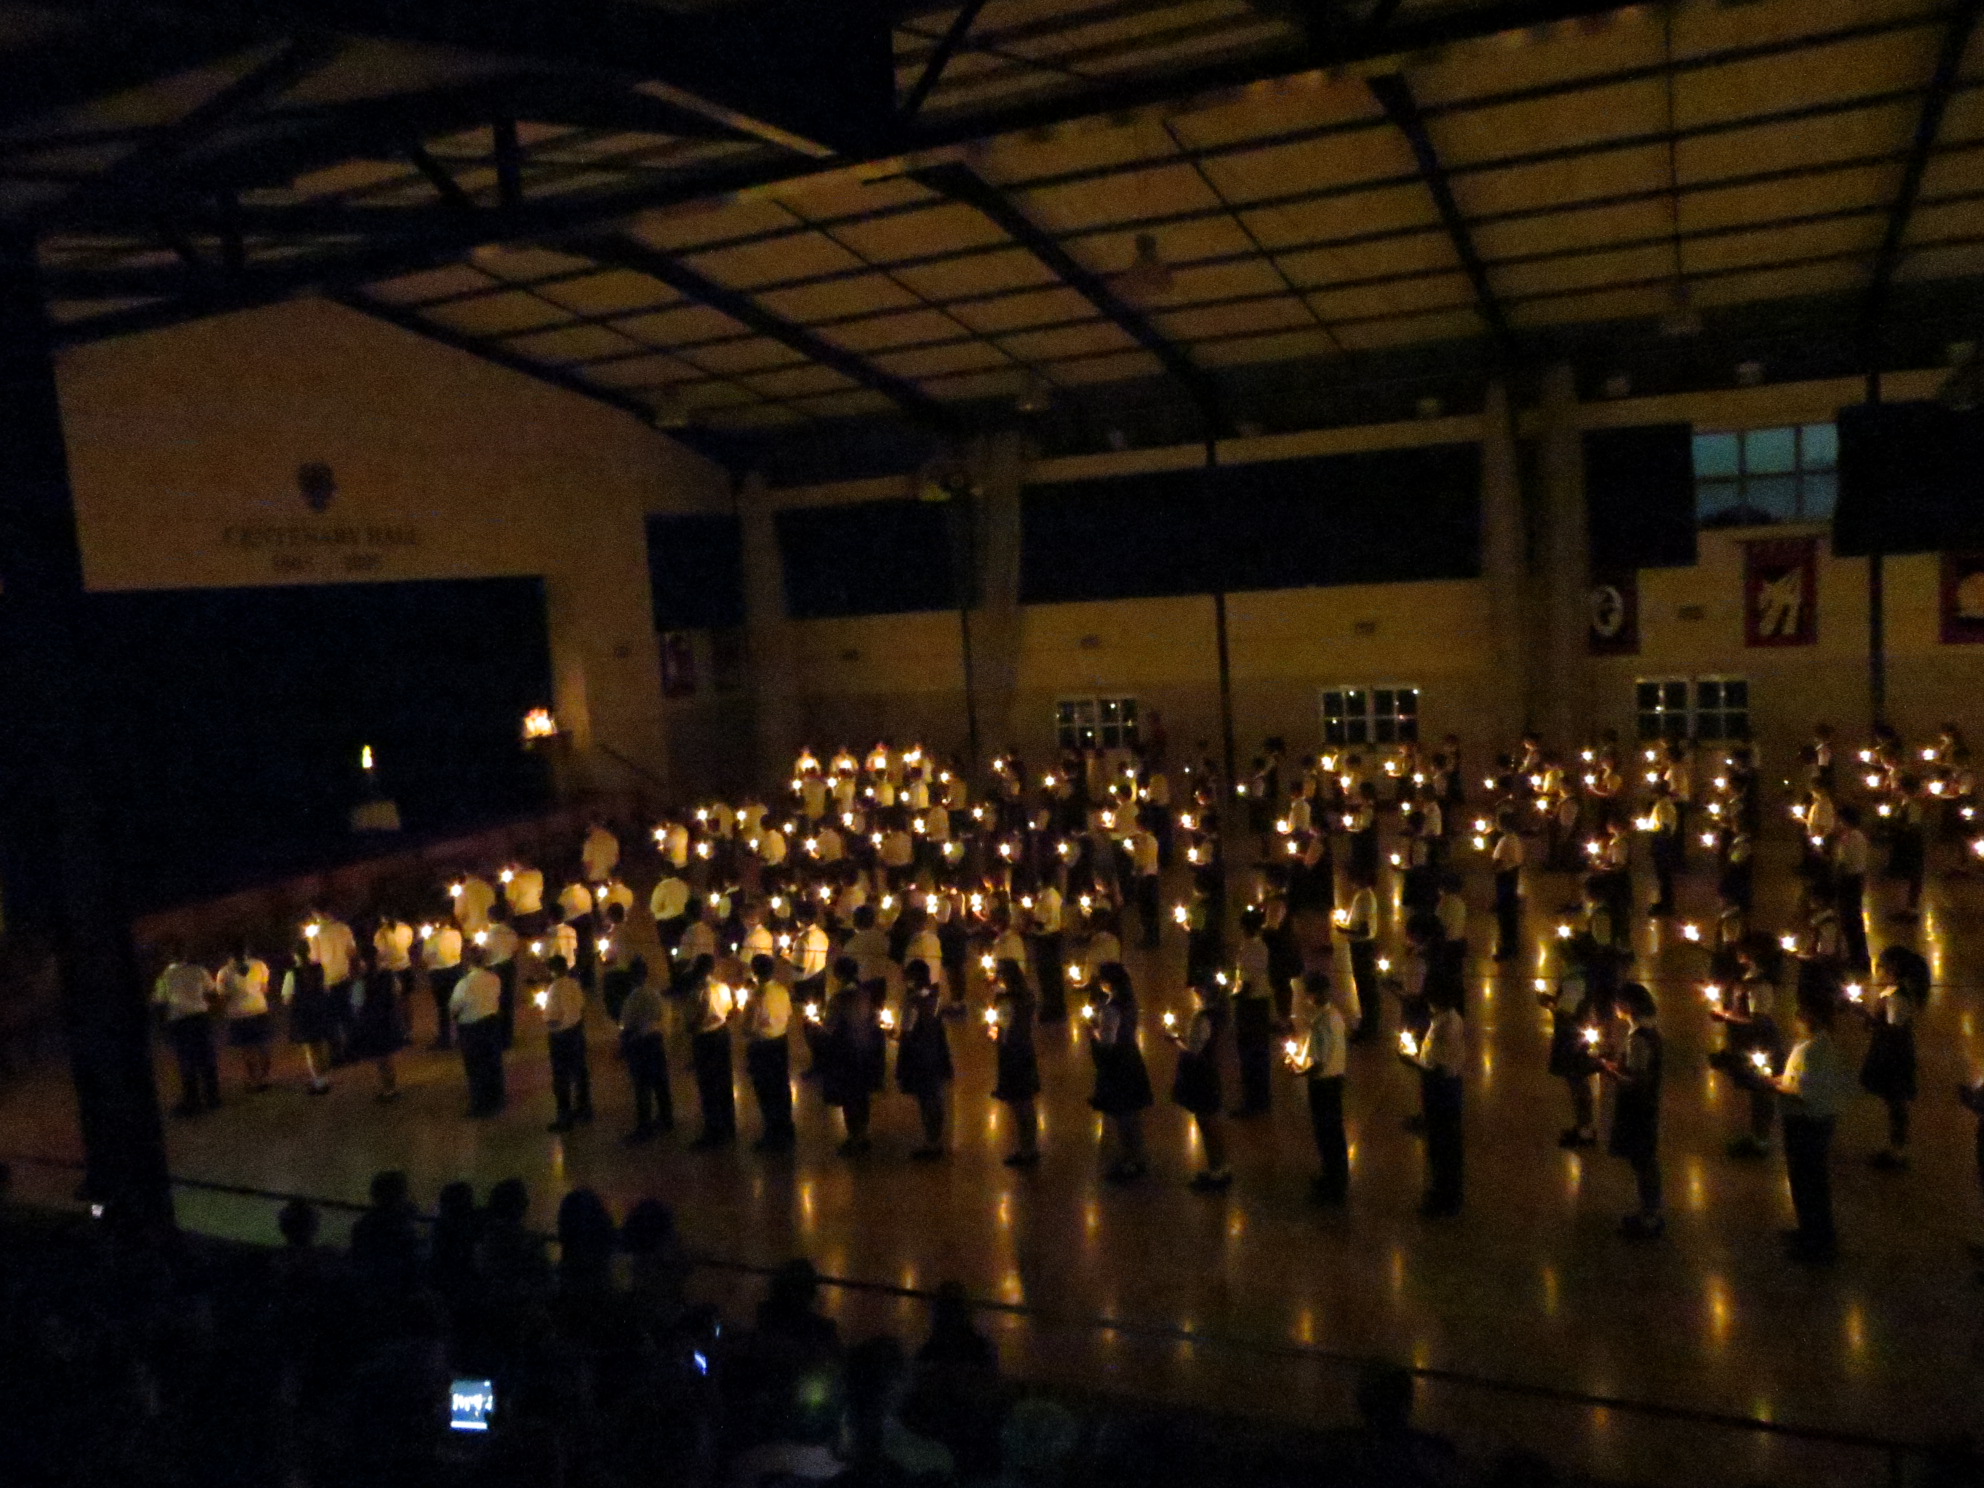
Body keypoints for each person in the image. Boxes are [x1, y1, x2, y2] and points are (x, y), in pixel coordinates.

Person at [1771, 983, 1852, 1264]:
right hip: (1813, 1119)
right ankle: (1809, 1231)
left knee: (1808, 1182)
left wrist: (1771, 1085)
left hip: (1807, 1122)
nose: (1794, 1022)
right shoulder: (1817, 1045)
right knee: (1807, 1181)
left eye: (1798, 1017)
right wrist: (1781, 1081)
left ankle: (1817, 1242)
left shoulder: (1812, 1051)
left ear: (1808, 1021)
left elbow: (1803, 1091)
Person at [1600, 982, 1664, 1239]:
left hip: (1638, 1107)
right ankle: (1649, 1212)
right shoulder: (1647, 1032)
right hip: (1646, 1105)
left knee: (1643, 1161)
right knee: (1644, 1160)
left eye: (1619, 1001)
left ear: (1630, 1005)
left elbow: (1638, 1080)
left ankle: (1650, 1216)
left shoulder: (1638, 1038)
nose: (1616, 1005)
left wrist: (1610, 1072)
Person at [1857, 944, 1927, 1170]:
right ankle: (1896, 1148)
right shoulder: (1893, 993)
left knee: (1896, 1102)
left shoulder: (1897, 998)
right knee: (1894, 1102)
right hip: (1892, 1051)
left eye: (1881, 969)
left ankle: (1898, 1152)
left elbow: (1893, 1029)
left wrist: (1868, 1016)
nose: (1878, 974)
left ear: (1892, 970)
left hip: (1894, 1056)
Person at [1288, 970, 1350, 1206]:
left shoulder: (1323, 1022)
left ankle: (1334, 1185)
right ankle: (1334, 1177)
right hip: (1335, 1080)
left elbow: (1319, 1062)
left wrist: (1300, 1071)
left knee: (1327, 1134)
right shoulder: (1334, 1016)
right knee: (1333, 1133)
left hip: (1324, 1085)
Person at [1088, 962, 1153, 1184]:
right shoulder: (1130, 1003)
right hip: (1131, 1058)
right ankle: (1137, 1155)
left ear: (1108, 982)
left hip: (1117, 1063)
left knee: (1123, 1114)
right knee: (1132, 1113)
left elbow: (1107, 1042)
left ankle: (1129, 1160)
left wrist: (1093, 1030)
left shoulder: (1111, 1009)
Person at [1407, 978, 1465, 1218]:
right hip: (1442, 1087)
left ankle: (1446, 1198)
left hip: (1442, 1089)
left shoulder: (1447, 1025)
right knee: (1441, 1143)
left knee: (1443, 1144)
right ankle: (1443, 1192)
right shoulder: (1444, 1019)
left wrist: (1411, 1061)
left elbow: (1439, 1067)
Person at [1167, 975, 1231, 1191]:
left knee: (1207, 1123)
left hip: (1201, 1074)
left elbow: (1193, 1051)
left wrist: (1176, 1040)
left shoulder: (1201, 1018)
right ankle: (1221, 1167)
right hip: (1213, 1072)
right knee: (1213, 1121)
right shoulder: (1220, 1015)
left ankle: (1216, 1171)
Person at [895, 959, 954, 1159]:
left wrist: (894, 1035)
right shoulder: (935, 997)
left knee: (925, 1099)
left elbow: (907, 1030)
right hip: (936, 1050)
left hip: (918, 1054)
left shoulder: (912, 1002)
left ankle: (931, 1142)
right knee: (935, 1097)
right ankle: (936, 1139)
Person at [823, 976, 886, 1157]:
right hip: (866, 1053)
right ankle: (863, 1134)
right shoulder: (867, 995)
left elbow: (829, 1027)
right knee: (862, 1095)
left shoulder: (838, 1000)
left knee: (848, 1098)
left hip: (845, 1054)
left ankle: (853, 1137)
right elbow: (876, 1019)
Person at [154, 950, 220, 1115]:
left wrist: (162, 1025)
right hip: (200, 1018)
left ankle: (193, 1099)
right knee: (206, 1057)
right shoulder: (198, 970)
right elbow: (212, 992)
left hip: (180, 1020)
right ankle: (212, 1097)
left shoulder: (166, 976)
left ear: (169, 956)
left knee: (186, 1060)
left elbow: (160, 1001)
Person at [989, 959, 1041, 1167]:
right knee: (1024, 1101)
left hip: (1012, 1052)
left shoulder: (1008, 1000)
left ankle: (1027, 1148)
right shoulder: (1027, 997)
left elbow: (1004, 1026)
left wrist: (995, 1033)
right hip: (1024, 1049)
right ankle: (1028, 1146)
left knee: (1020, 1102)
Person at [742, 952, 796, 1152]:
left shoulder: (756, 996)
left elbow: (747, 1028)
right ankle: (787, 1128)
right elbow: (788, 1013)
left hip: (762, 1045)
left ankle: (773, 1134)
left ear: (754, 972)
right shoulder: (781, 990)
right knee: (781, 1086)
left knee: (766, 1090)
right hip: (780, 1042)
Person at [618, 957, 672, 1142]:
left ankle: (644, 1127)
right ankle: (666, 1118)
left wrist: (625, 1043)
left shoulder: (633, 998)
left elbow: (627, 1022)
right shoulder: (654, 994)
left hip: (640, 1044)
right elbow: (660, 1016)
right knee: (660, 1082)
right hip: (656, 1041)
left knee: (642, 1086)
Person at [685, 956, 737, 1148]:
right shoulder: (722, 987)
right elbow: (730, 1010)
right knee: (724, 1080)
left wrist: (691, 1028)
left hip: (705, 1038)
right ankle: (729, 1125)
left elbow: (695, 1019)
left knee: (708, 1084)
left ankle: (713, 1132)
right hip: (722, 1034)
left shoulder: (697, 992)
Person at [448, 946, 507, 1117]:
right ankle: (497, 1098)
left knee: (475, 1066)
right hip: (492, 1023)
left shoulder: (464, 984)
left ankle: (481, 1104)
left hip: (472, 1028)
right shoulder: (494, 978)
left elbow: (454, 1007)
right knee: (493, 1062)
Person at [539, 954, 592, 1133]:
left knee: (561, 1078)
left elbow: (552, 1017)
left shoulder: (554, 988)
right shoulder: (574, 984)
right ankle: (584, 1109)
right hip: (577, 1032)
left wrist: (545, 1014)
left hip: (561, 1037)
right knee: (580, 1072)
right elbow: (581, 1007)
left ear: (553, 970)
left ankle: (565, 1117)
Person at [1230, 908, 1275, 1118]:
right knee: (1260, 1051)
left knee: (1249, 1052)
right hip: (1262, 1003)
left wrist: (1232, 995)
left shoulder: (1248, 949)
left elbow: (1247, 983)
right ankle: (1263, 1097)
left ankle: (1253, 1101)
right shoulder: (1262, 946)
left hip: (1250, 1005)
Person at [347, 946, 406, 1102]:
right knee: (387, 1057)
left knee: (381, 1058)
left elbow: (356, 1004)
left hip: (372, 1022)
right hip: (388, 1019)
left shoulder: (362, 980)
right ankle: (391, 1087)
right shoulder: (388, 975)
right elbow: (397, 992)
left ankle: (388, 1090)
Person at [280, 937, 335, 1094]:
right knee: (321, 1046)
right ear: (309, 951)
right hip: (320, 1011)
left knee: (311, 1050)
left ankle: (319, 1083)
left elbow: (287, 998)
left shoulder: (292, 974)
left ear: (294, 954)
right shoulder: (319, 968)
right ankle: (324, 1078)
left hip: (303, 1014)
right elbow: (326, 988)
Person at [217, 940, 273, 1092]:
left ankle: (254, 1080)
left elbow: (223, 996)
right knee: (262, 1045)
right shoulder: (259, 965)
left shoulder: (224, 972)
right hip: (258, 1008)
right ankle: (264, 1077)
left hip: (238, 1013)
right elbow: (265, 988)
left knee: (247, 1049)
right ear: (247, 951)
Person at [420, 918, 464, 1051]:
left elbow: (426, 957)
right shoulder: (456, 934)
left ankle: (445, 1038)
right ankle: (459, 1036)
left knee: (443, 1007)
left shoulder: (432, 938)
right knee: (457, 1005)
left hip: (438, 973)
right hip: (455, 970)